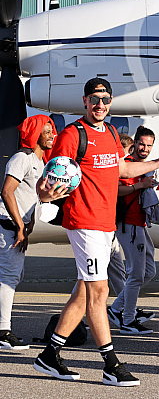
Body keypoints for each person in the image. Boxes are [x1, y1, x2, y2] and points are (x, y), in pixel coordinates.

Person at [33, 78, 159, 387]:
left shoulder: (111, 132)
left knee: (84, 291)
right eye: (95, 99)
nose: (101, 104)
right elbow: (51, 177)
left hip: (105, 223)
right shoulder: (73, 135)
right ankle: (111, 364)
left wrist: (158, 162)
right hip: (83, 222)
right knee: (99, 292)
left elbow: (122, 170)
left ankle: (50, 354)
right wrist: (44, 193)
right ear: (85, 101)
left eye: (106, 99)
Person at [0, 115, 64, 349]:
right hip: (7, 226)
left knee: (12, 277)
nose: (52, 135)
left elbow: (32, 197)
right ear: (34, 133)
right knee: (7, 279)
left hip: (17, 228)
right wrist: (19, 227)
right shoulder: (22, 158)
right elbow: (7, 192)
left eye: (52, 131)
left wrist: (50, 198)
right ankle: (3, 332)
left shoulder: (39, 161)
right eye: (47, 132)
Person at [106, 126, 159, 335]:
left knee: (149, 271)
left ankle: (117, 308)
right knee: (136, 275)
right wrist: (140, 186)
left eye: (149, 146)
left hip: (140, 224)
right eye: (142, 144)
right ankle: (128, 320)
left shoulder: (142, 167)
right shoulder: (126, 165)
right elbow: (114, 189)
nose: (145, 149)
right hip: (128, 224)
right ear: (134, 143)